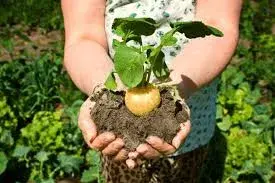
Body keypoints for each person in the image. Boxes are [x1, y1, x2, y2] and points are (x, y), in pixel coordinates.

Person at [61, 0, 242, 182]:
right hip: (119, 120)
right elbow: (83, 36)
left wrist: (174, 90)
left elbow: (217, 22)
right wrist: (105, 92)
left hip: (192, 112)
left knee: (186, 173)